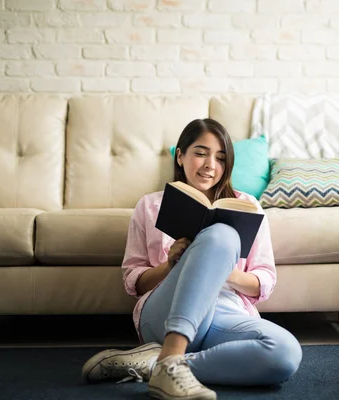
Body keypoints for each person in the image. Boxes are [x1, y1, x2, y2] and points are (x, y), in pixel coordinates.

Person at [81, 118, 302, 400]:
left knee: (285, 353)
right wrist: (171, 265)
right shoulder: (150, 206)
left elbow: (265, 281)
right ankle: (171, 353)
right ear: (180, 155)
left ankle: (159, 365)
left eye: (220, 158)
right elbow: (133, 282)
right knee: (222, 234)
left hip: (225, 311)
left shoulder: (248, 206)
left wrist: (223, 270)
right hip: (165, 311)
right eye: (201, 153)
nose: (211, 164)